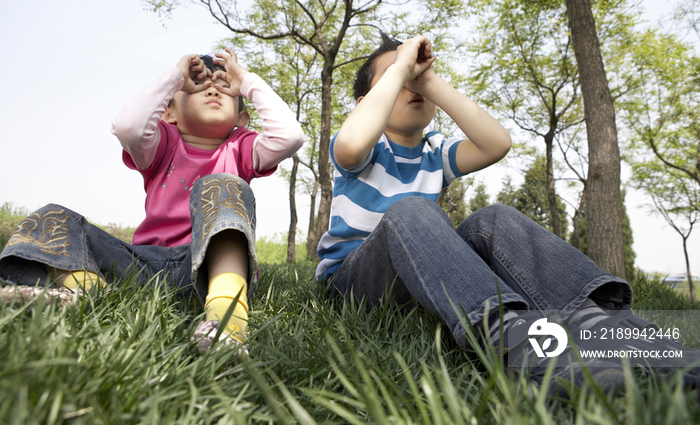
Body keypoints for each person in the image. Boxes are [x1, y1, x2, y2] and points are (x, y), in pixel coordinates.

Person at [316, 33, 699, 397]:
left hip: (422, 282)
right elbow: (352, 143)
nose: (411, 84)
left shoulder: (435, 152)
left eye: (416, 78)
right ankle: (518, 342)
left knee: (492, 218)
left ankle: (612, 329)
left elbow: (497, 143)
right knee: (412, 209)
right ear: (365, 102)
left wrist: (429, 80)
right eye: (397, 77)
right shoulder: (363, 144)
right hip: (355, 286)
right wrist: (401, 65)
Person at [0, 49, 304, 353]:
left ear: (241, 118)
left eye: (225, 89)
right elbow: (127, 126)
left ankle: (225, 321)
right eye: (197, 87)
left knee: (223, 185)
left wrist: (246, 80)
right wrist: (175, 77)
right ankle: (91, 296)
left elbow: (290, 137)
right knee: (52, 216)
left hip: (211, 266)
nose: (213, 89)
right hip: (145, 263)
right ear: (170, 112)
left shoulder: (241, 148)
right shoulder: (162, 144)